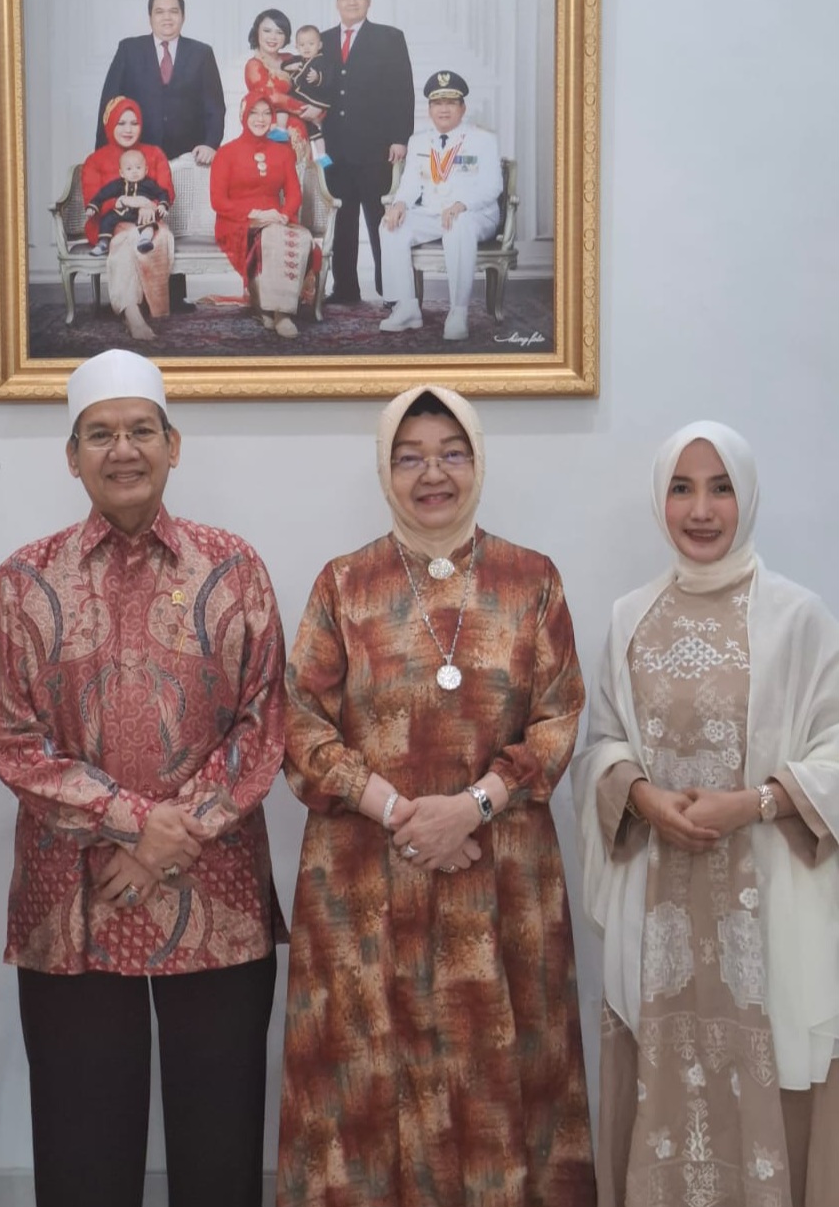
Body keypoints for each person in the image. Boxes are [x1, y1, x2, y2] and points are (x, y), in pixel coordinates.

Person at [0, 349, 286, 1207]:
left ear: (173, 446)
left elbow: (266, 721)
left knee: (220, 1151)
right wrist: (134, 822)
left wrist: (166, 841)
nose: (123, 450)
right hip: (74, 900)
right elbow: (7, 735)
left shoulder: (233, 567)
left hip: (215, 892)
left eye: (141, 431)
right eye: (100, 434)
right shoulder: (25, 579)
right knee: (82, 1154)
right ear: (71, 455)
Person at [277, 384, 595, 1206]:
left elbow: (560, 717)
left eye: (452, 453)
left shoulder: (531, 580)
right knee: (365, 1081)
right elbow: (299, 723)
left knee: (496, 1075)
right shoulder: (345, 584)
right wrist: (396, 810)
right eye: (410, 456)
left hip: (500, 874)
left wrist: (473, 805)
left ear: (478, 461)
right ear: (385, 471)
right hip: (364, 881)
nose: (433, 474)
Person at [572, 422, 839, 1207]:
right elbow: (600, 745)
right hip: (659, 908)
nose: (700, 509)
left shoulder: (799, 618)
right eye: (682, 488)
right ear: (660, 500)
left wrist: (754, 803)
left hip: (767, 903)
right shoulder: (630, 616)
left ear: (746, 496)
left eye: (720, 488)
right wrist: (642, 797)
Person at [96, 0, 226, 312]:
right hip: (137, 155)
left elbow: (214, 105)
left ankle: (173, 296)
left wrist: (211, 143)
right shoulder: (130, 49)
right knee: (136, 220)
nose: (167, 17)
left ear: (183, 16)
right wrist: (105, 153)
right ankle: (135, 296)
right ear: (150, 17)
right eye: (160, 11)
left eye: (174, 11)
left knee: (174, 220)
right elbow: (110, 101)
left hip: (185, 153)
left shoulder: (201, 53)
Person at [380, 70, 502, 341]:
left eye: (450, 103)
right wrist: (400, 203)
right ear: (429, 109)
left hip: (475, 215)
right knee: (390, 224)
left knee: (457, 224)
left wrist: (462, 204)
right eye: (437, 103)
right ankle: (406, 307)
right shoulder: (418, 141)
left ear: (462, 108)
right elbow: (410, 183)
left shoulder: (482, 140)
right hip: (433, 214)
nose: (443, 109)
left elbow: (493, 186)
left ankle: (458, 311)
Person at [318, 0, 414, 304]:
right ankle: (345, 289)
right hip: (334, 148)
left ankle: (391, 291)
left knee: (379, 219)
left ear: (369, 1)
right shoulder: (322, 41)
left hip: (377, 148)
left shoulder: (389, 38)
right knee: (343, 220)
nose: (352, 2)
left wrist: (400, 138)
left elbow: (403, 91)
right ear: (337, 2)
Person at [210, 93, 321, 340]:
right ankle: (273, 310)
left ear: (272, 118)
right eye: (254, 112)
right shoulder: (226, 153)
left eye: (266, 113)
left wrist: (284, 214)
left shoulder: (283, 153)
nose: (260, 119)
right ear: (243, 115)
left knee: (299, 238)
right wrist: (255, 215)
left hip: (275, 219)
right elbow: (218, 201)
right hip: (238, 222)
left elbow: (294, 193)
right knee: (272, 237)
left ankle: (279, 313)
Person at [81, 96, 176, 341]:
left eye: (134, 123)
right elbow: (93, 199)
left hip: (149, 221)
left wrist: (150, 206)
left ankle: (155, 308)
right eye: (121, 123)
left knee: (159, 237)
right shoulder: (95, 160)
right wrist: (126, 201)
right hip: (110, 224)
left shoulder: (154, 153)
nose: (128, 129)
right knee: (127, 239)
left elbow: (166, 192)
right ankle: (132, 314)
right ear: (109, 124)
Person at [243, 8, 324, 165]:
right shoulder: (254, 65)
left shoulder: (292, 58)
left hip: (302, 131)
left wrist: (320, 107)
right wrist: (307, 109)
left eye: (279, 32)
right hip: (270, 130)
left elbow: (316, 84)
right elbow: (272, 97)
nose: (273, 37)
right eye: (267, 31)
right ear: (257, 32)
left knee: (301, 175)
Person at [85, 145, 171, 256]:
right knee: (107, 219)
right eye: (129, 169)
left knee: (149, 222)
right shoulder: (118, 184)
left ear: (146, 170)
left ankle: (144, 240)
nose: (134, 172)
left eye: (138, 168)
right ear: (122, 173)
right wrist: (92, 206)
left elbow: (162, 193)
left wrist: (162, 205)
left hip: (140, 213)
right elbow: (103, 194)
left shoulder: (149, 184)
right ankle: (103, 243)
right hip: (122, 212)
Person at [283, 24, 331, 166]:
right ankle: (322, 156)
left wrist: (317, 77)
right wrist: (289, 67)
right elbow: (284, 65)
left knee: (315, 127)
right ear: (297, 47)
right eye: (302, 45)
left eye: (311, 44)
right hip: (300, 99)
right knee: (312, 129)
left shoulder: (322, 61)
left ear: (319, 45)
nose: (306, 48)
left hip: (313, 99)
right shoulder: (298, 60)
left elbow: (329, 78)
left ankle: (322, 155)